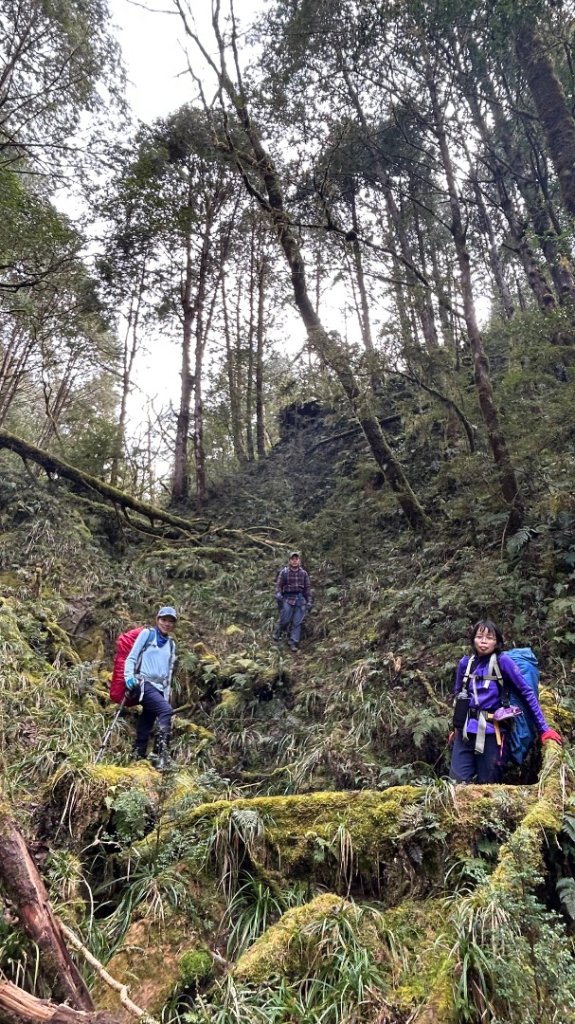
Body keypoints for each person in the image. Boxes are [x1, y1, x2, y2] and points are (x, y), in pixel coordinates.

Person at [449, 619, 562, 784]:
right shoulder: (465, 664)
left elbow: (526, 692)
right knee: (456, 784)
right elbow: (459, 694)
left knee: (488, 786)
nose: (484, 641)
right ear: (473, 639)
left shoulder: (503, 662)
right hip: (466, 731)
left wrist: (544, 730)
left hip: (492, 732)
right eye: (480, 636)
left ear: (497, 642)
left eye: (490, 637)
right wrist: (456, 727)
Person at [125, 606, 177, 768]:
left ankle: (138, 754)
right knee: (166, 711)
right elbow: (131, 658)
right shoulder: (147, 635)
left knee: (147, 719)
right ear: (157, 619)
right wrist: (129, 677)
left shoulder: (171, 644)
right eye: (164, 619)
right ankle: (161, 756)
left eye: (170, 621)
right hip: (143, 683)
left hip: (160, 687)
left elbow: (168, 673)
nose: (166, 623)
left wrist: (166, 695)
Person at [273, 551, 312, 651]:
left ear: (299, 561)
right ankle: (278, 632)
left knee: (297, 622)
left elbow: (307, 588)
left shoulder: (303, 573)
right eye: (292, 559)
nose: (295, 561)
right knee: (285, 619)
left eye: (296, 559)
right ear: (289, 561)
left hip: (300, 599)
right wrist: (278, 594)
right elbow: (278, 585)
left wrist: (309, 601)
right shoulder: (284, 572)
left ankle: (293, 642)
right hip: (288, 598)